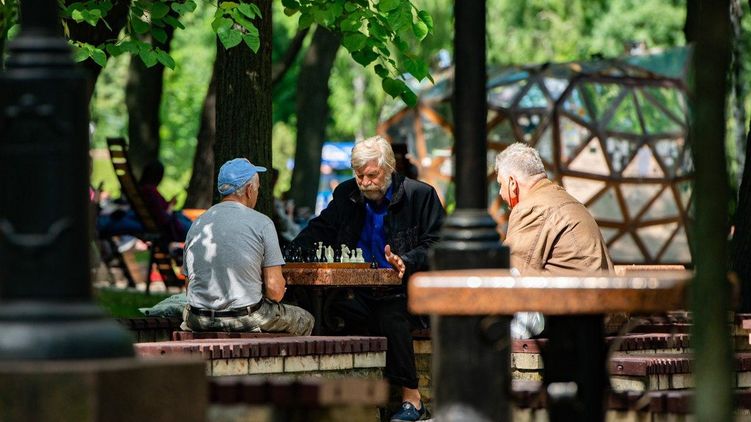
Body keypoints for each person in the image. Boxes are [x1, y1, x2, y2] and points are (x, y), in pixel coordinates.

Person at [293, 135, 444, 422]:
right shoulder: (347, 193)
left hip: (404, 292)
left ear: (389, 168)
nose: (364, 182)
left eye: (371, 175)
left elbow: (438, 243)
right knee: (327, 313)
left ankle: (412, 399)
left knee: (390, 316)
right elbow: (323, 227)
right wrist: (290, 250)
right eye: (359, 175)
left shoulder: (419, 195)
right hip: (357, 291)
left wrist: (407, 260)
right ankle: (346, 396)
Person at [181, 158, 314, 335]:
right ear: (250, 190)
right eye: (257, 189)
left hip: (198, 318)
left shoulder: (198, 224)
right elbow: (274, 291)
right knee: (305, 319)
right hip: (245, 317)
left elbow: (189, 285)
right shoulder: (262, 223)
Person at [495, 142, 613, 274]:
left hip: (575, 288)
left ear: (512, 183)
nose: (500, 192)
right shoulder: (571, 202)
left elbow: (509, 271)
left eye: (501, 184)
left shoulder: (533, 208)